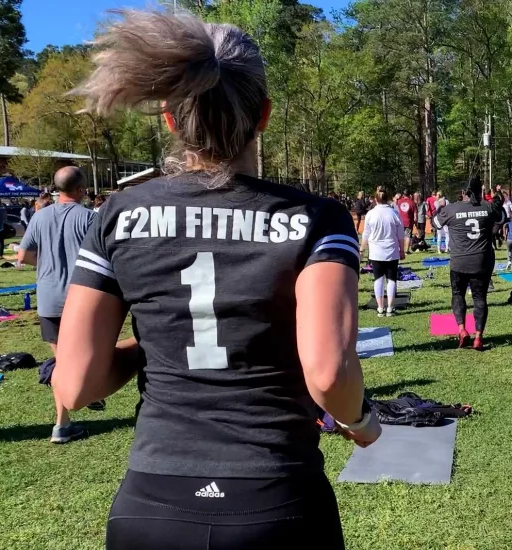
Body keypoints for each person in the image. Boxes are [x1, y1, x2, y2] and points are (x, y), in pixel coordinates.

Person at [52, 12, 377, 548]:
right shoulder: (317, 218)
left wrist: (158, 347)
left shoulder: (117, 213)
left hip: (153, 505)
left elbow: (75, 384)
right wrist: (362, 423)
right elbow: (327, 371)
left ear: (172, 122)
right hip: (276, 496)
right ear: (264, 115)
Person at [17, 166, 101, 444]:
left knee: (64, 360)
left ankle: (79, 399)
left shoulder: (39, 217)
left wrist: (45, 268)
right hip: (82, 298)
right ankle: (64, 422)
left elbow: (23, 255)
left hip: (49, 299)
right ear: (80, 189)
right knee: (86, 356)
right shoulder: (89, 218)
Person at [433, 177, 498, 351]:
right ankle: (478, 336)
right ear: (479, 192)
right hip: (481, 261)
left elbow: (435, 223)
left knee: (457, 294)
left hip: (459, 262)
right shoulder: (487, 207)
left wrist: (439, 207)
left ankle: (462, 329)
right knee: (480, 298)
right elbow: (501, 218)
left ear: (463, 193)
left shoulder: (451, 209)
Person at [361, 189, 405, 317]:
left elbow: (366, 234)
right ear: (389, 199)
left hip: (376, 252)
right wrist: (402, 250)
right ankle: (390, 308)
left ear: (375, 200)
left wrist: (362, 249)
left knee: (378, 279)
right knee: (391, 279)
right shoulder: (394, 213)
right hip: (391, 250)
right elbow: (400, 235)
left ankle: (380, 308)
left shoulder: (370, 214)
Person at [395, 190, 416, 255]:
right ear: (409, 195)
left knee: (399, 236)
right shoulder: (412, 202)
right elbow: (415, 214)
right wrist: (415, 222)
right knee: (408, 236)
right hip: (408, 221)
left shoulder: (399, 201)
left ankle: (399, 249)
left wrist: (397, 198)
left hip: (400, 221)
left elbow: (395, 202)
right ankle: (406, 251)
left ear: (403, 195)